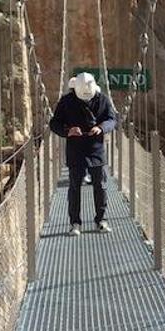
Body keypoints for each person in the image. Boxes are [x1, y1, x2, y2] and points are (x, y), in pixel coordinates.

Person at [49, 72, 117, 236]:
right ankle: (75, 223)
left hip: (96, 149)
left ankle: (101, 220)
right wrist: (68, 130)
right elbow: (54, 123)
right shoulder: (66, 102)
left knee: (100, 186)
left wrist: (101, 128)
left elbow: (112, 119)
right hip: (76, 149)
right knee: (74, 188)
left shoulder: (103, 99)